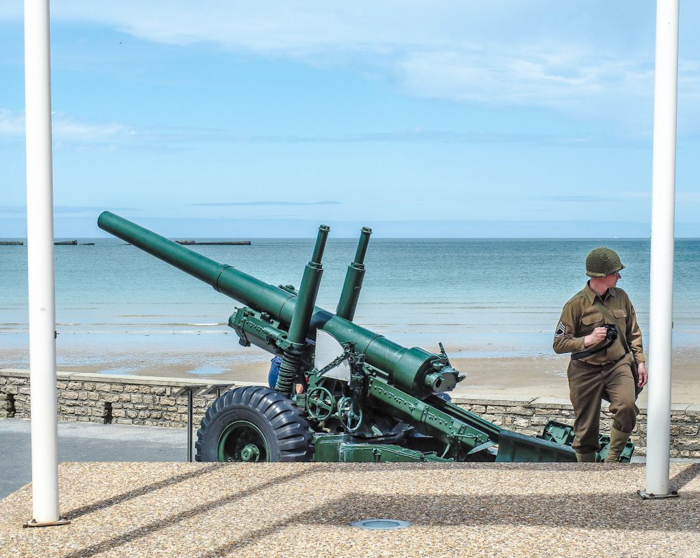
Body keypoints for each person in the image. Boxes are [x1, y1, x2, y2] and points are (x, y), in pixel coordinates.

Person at [553, 247, 648, 463]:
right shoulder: (575, 305)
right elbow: (558, 343)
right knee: (586, 427)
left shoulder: (622, 297)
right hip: (584, 370)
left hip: (618, 365)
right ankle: (588, 472)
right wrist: (587, 340)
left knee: (626, 407)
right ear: (601, 276)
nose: (620, 276)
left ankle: (612, 461)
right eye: (616, 272)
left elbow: (633, 332)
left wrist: (640, 362)